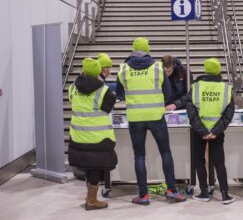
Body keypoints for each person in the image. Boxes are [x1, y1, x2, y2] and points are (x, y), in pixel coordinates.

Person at [116, 37, 186, 205]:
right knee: (165, 152)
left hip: (135, 118)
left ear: (132, 50)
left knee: (139, 155)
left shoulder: (123, 69)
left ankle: (143, 195)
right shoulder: (158, 68)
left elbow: (119, 94)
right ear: (148, 50)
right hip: (156, 116)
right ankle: (172, 191)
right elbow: (168, 95)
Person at [68, 58, 117, 210]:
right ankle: (91, 200)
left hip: (78, 135)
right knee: (95, 166)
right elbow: (108, 108)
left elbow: (73, 103)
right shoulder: (104, 91)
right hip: (98, 137)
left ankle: (90, 197)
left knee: (87, 165)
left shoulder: (72, 88)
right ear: (98, 72)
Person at [186, 58, 236, 205]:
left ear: (205, 70)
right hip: (217, 132)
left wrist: (202, 130)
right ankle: (225, 195)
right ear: (219, 70)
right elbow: (229, 113)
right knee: (220, 162)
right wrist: (216, 130)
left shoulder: (195, 87)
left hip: (198, 131)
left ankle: (204, 192)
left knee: (199, 161)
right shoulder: (225, 88)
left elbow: (191, 112)